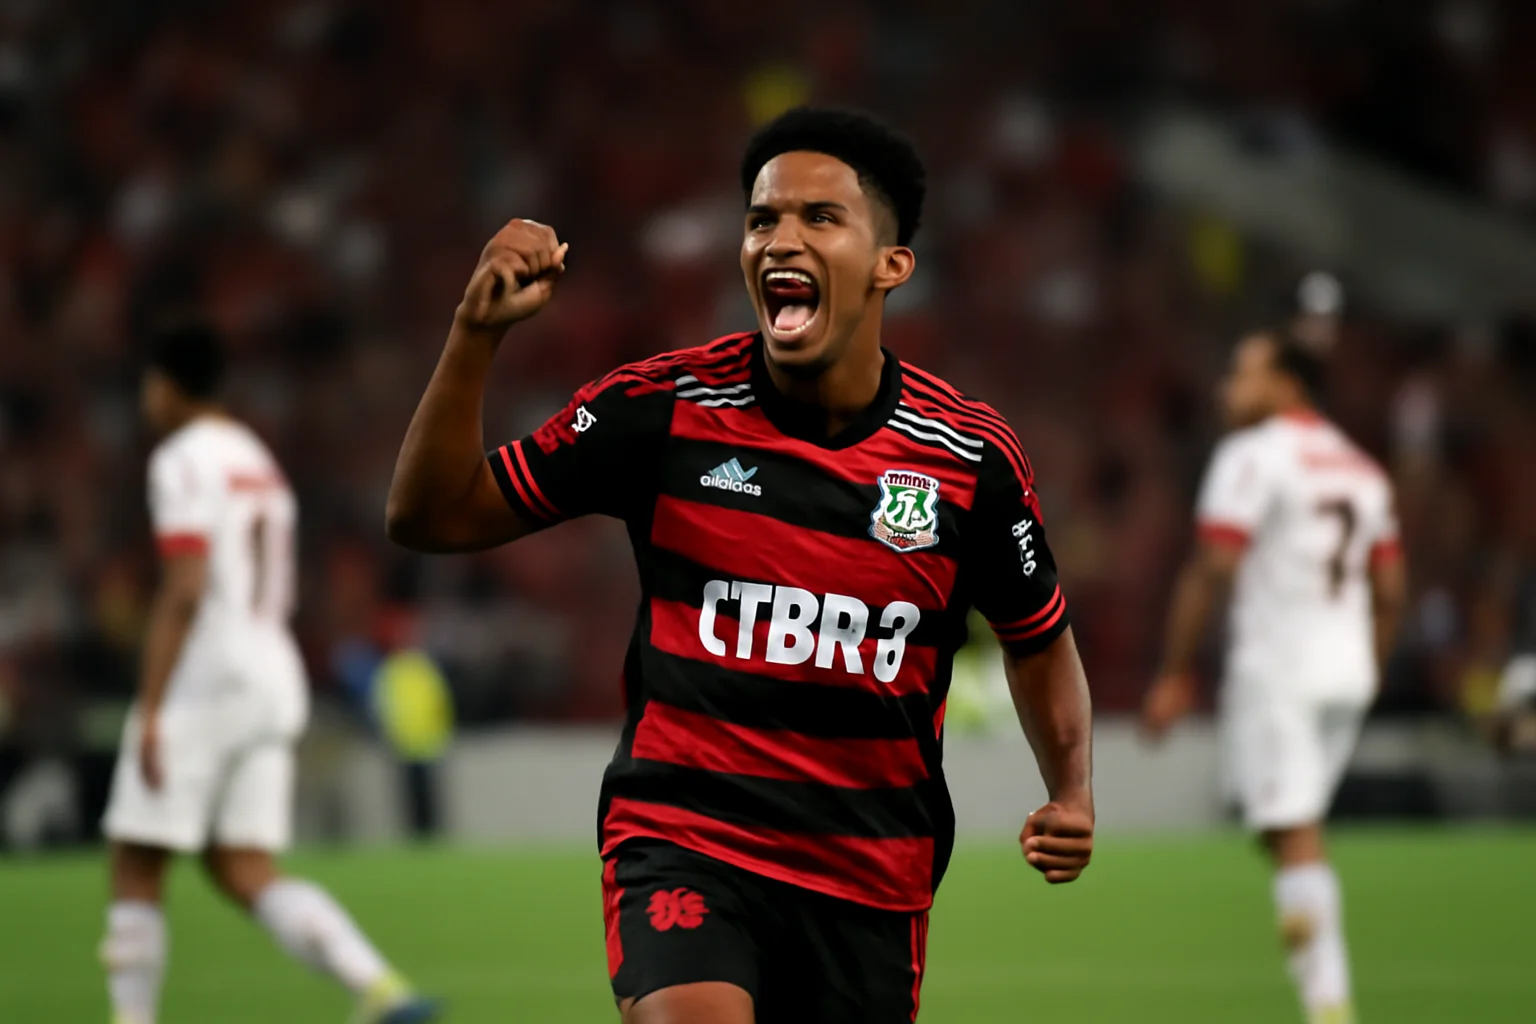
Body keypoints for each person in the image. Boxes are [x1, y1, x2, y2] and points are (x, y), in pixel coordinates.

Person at [387, 107, 1095, 1023]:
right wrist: (474, 335)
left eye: (820, 218)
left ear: (891, 265)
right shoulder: (662, 407)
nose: (780, 240)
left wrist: (1071, 791)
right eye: (763, 220)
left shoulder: (968, 459)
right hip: (686, 839)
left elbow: (1037, 638)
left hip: (870, 875)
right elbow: (430, 516)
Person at [100, 324, 440, 1024]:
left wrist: (153, 707)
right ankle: (381, 988)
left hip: (207, 673)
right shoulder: (255, 457)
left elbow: (187, 587)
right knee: (243, 867)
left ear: (165, 385)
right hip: (271, 672)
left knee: (136, 860)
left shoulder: (181, 459)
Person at [1142, 327, 1408, 1024]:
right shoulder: (1361, 467)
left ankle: (1328, 1002)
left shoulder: (1252, 454)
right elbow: (1390, 588)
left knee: (1292, 836)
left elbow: (1215, 564)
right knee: (1282, 822)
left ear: (1287, 385)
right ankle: (1303, 912)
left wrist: (1174, 672)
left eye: (1243, 374)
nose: (1228, 388)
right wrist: (1373, 669)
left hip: (1280, 669)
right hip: (1347, 671)